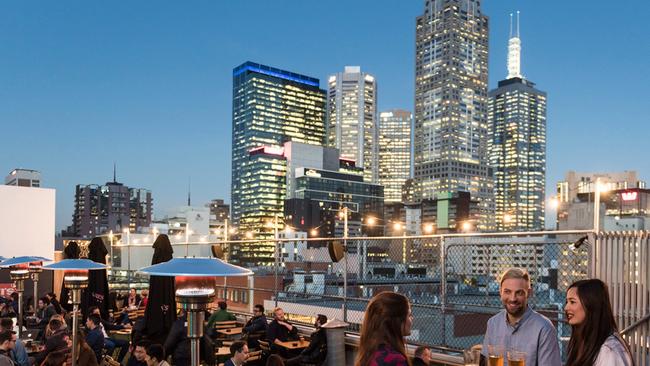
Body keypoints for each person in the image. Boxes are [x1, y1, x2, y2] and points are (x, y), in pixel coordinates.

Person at [482, 268, 561, 366]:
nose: (512, 298)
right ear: (500, 292)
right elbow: (485, 362)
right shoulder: (493, 323)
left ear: (529, 293)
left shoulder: (544, 328)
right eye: (507, 291)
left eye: (519, 293)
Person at [565, 279, 634, 366]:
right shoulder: (583, 344)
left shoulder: (609, 350)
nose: (566, 308)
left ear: (591, 304)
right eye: (567, 302)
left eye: (572, 302)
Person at [354, 292, 412, 366]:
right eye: (409, 315)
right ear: (395, 321)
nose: (412, 318)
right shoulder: (396, 360)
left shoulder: (370, 351)